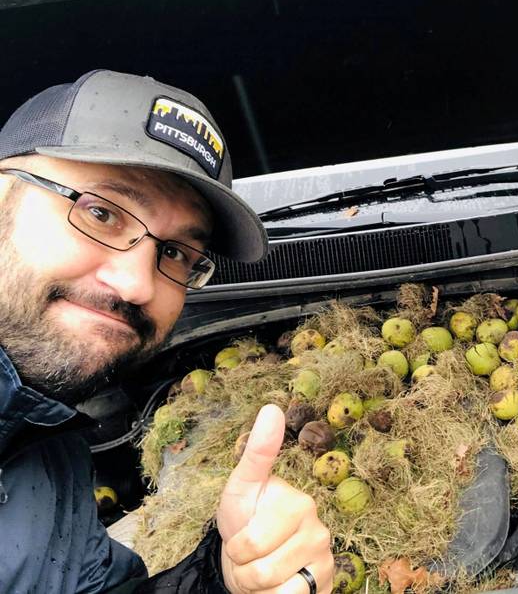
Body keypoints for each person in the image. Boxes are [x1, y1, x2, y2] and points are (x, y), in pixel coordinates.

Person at [0, 70, 335, 593]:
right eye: (101, 213)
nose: (136, 284)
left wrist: (222, 580)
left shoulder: (48, 444)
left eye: (176, 253)